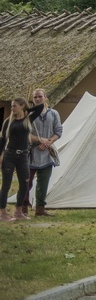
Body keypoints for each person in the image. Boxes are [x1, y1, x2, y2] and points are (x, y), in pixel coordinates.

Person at [0, 98, 40, 221]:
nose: (12, 109)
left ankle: (18, 211)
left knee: (25, 184)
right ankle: (2, 213)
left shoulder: (28, 119)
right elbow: (2, 140)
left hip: (23, 156)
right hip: (9, 155)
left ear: (22, 106)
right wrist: (0, 155)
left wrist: (28, 109)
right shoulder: (8, 122)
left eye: (14, 106)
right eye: (11, 106)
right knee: (6, 185)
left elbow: (40, 107)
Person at [26, 89, 62, 218]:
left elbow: (58, 131)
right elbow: (24, 132)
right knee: (26, 181)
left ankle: (40, 208)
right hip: (31, 151)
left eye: (40, 96)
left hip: (47, 152)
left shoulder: (53, 113)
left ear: (45, 97)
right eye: (35, 97)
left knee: (43, 182)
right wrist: (38, 139)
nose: (37, 99)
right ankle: (23, 207)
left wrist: (48, 142)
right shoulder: (28, 114)